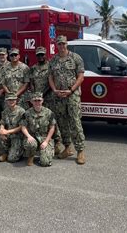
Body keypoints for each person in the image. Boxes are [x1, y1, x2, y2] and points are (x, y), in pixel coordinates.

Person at [48, 35, 86, 165]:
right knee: (62, 123)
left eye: (63, 43)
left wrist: (71, 90)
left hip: (72, 95)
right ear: (56, 45)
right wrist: (54, 90)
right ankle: (67, 147)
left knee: (75, 122)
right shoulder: (53, 60)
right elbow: (50, 77)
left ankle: (80, 151)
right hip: (58, 96)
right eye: (59, 44)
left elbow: (81, 77)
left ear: (67, 44)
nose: (61, 46)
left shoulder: (76, 58)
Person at [29, 46, 64, 155]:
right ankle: (40, 142)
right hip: (37, 99)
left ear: (46, 55)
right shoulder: (33, 68)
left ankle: (58, 142)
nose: (40, 57)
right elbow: (31, 82)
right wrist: (35, 94)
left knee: (52, 120)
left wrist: (43, 94)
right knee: (38, 121)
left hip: (48, 97)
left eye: (42, 54)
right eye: (38, 55)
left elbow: (52, 81)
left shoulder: (50, 66)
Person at [21, 92, 56, 166]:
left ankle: (43, 153)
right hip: (32, 136)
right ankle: (31, 156)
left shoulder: (49, 112)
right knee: (31, 144)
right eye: (35, 100)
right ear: (31, 101)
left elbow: (52, 128)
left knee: (45, 163)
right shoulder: (27, 113)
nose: (37, 102)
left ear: (42, 100)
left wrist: (46, 141)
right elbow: (23, 127)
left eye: (39, 100)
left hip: (44, 137)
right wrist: (28, 136)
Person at [0, 93, 25, 163]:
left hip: (18, 135)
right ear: (6, 101)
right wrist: (1, 130)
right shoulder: (5, 111)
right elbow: (2, 122)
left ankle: (19, 151)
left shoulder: (21, 111)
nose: (11, 101)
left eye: (13, 100)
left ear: (16, 100)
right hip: (8, 134)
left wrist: (7, 132)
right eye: (9, 100)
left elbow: (22, 127)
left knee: (12, 159)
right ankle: (5, 153)